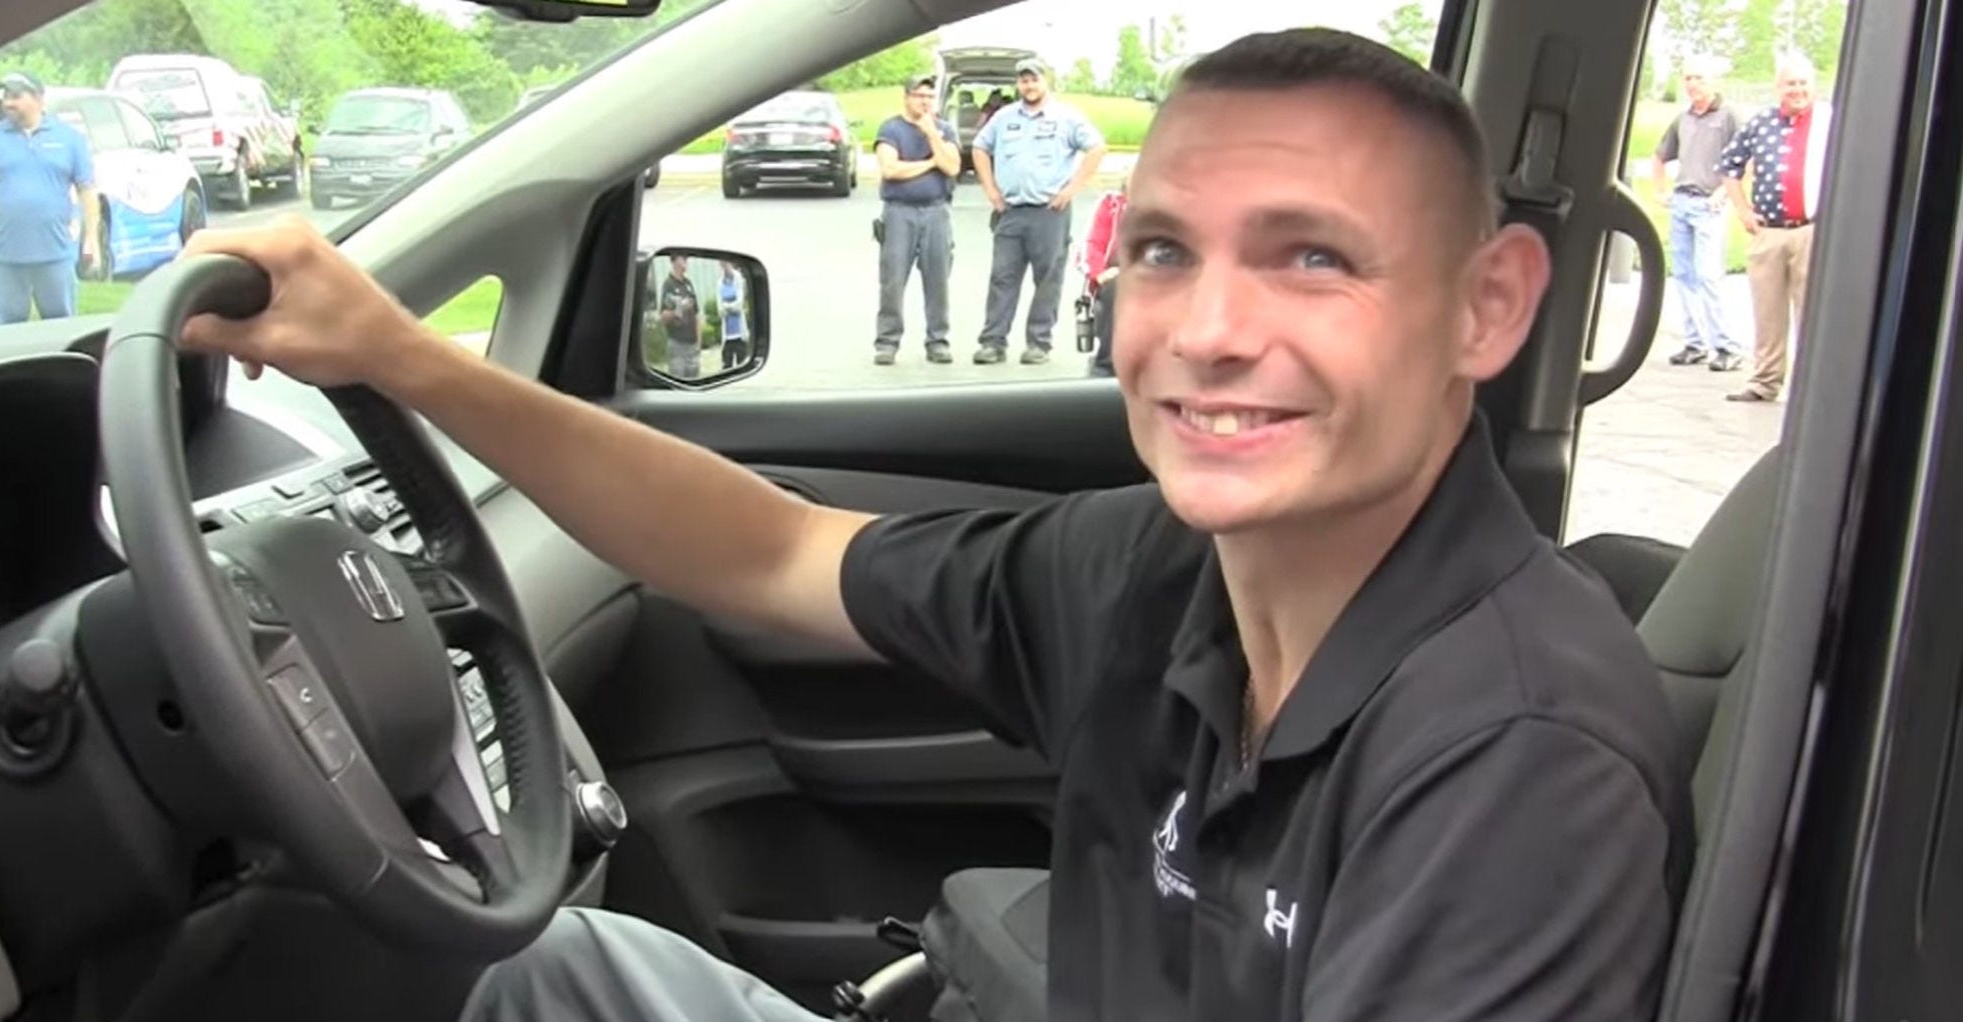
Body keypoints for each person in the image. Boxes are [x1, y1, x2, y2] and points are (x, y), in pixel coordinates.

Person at [178, 28, 1691, 1021]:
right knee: (535, 968)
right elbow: (773, 551)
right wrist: (400, 354)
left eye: (1311, 259)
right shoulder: (1156, 570)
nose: (1211, 330)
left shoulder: (1521, 761)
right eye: (1162, 251)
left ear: (1486, 306)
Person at [969, 59, 1108, 365]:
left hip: (1049, 212)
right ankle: (993, 342)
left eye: (1033, 80)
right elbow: (980, 147)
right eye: (1023, 81)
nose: (1028, 86)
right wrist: (991, 190)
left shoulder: (1066, 117)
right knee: (1002, 278)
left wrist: (1072, 189)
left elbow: (1097, 148)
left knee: (1047, 280)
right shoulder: (1004, 117)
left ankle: (1039, 343)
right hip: (1011, 211)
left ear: (1046, 81)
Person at [1718, 52, 1831, 403]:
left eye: (1802, 83)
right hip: (1768, 233)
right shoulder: (1761, 122)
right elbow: (1729, 165)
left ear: (1812, 86)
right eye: (1790, 84)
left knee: (1811, 311)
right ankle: (1764, 382)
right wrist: (1743, 210)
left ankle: (1813, 387)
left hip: (1811, 230)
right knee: (1767, 311)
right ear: (1777, 87)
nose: (1796, 90)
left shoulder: (1830, 124)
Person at [0, 71, 99, 325]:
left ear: (38, 98)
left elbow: (87, 191)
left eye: (15, 96)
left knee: (62, 329)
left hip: (56, 256)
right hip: (6, 259)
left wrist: (91, 240)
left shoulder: (69, 139)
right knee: (5, 336)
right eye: (5, 97)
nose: (7, 103)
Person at [1652, 54, 1743, 372]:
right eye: (1689, 78)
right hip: (1683, 200)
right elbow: (1661, 154)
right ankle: (1695, 343)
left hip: (1709, 204)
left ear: (1712, 82)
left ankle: (1727, 346)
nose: (1693, 84)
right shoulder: (1683, 119)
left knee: (1708, 275)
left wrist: (1725, 193)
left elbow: (1744, 159)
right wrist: (1661, 191)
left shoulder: (1728, 116)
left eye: (1699, 78)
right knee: (1684, 274)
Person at [872, 73, 962, 366]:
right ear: (907, 97)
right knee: (892, 281)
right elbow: (891, 170)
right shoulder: (891, 129)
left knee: (938, 280)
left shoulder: (945, 129)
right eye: (919, 95)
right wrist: (930, 162)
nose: (924, 101)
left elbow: (951, 167)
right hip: (899, 212)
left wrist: (932, 133)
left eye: (929, 97)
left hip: (937, 212)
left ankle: (938, 341)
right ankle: (887, 342)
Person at [1077, 177, 1128, 378]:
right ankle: (1107, 364)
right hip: (1115, 275)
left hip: (1161, 274)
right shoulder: (1110, 205)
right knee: (1116, 287)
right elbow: (1091, 245)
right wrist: (1099, 273)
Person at [656, 255, 700, 380]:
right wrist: (678, 309)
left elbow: (697, 314)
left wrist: (699, 343)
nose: (686, 261)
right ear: (674, 261)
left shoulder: (688, 284)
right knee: (678, 384)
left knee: (695, 383)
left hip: (692, 346)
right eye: (683, 257)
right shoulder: (668, 285)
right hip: (677, 345)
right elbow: (663, 317)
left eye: (687, 258)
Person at [717, 261, 750, 370]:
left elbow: (739, 305)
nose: (725, 266)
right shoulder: (720, 283)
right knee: (727, 366)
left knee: (742, 366)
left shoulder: (738, 279)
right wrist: (730, 306)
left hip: (739, 334)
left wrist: (726, 305)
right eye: (722, 264)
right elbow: (720, 309)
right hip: (727, 335)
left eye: (726, 263)